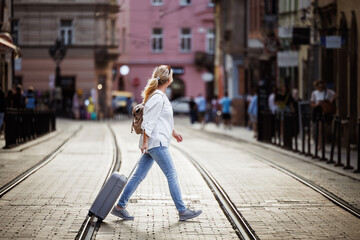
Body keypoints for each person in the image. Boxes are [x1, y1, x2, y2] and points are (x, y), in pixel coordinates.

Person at [111, 65, 202, 221]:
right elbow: (149, 122)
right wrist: (145, 142)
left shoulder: (160, 96)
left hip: (156, 141)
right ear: (169, 79)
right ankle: (182, 211)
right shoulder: (158, 97)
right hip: (156, 143)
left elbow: (162, 119)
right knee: (172, 175)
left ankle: (120, 206)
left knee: (138, 176)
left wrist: (174, 133)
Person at [310, 80, 336, 149]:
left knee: (324, 128)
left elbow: (335, 95)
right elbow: (312, 103)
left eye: (321, 86)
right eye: (318, 86)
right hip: (318, 111)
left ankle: (323, 143)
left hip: (326, 111)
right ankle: (320, 144)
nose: (320, 88)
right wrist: (317, 104)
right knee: (320, 129)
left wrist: (331, 100)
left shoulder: (327, 91)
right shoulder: (314, 93)